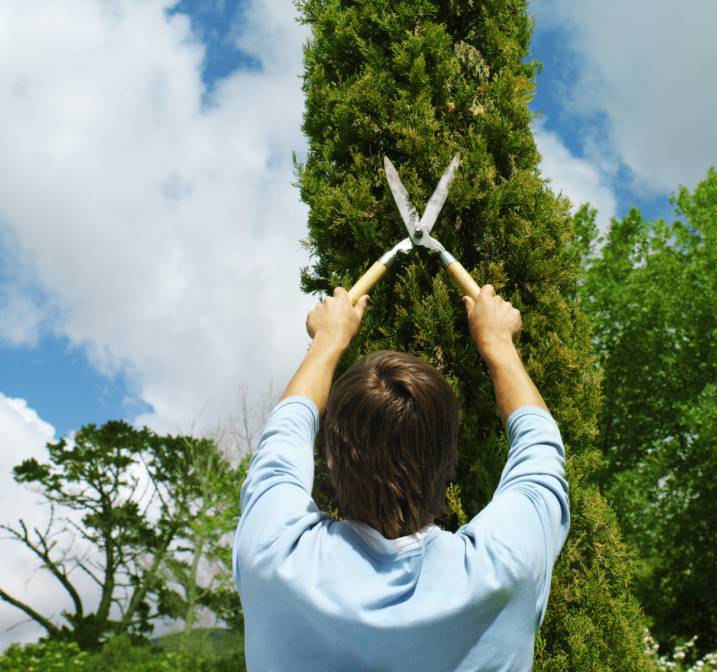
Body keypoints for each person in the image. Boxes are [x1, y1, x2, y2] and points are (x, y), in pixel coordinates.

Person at [233, 284, 570, 672]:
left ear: (327, 459)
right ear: (450, 462)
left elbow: (283, 436)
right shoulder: (505, 567)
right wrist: (498, 344)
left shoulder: (272, 554)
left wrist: (326, 342)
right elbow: (540, 449)